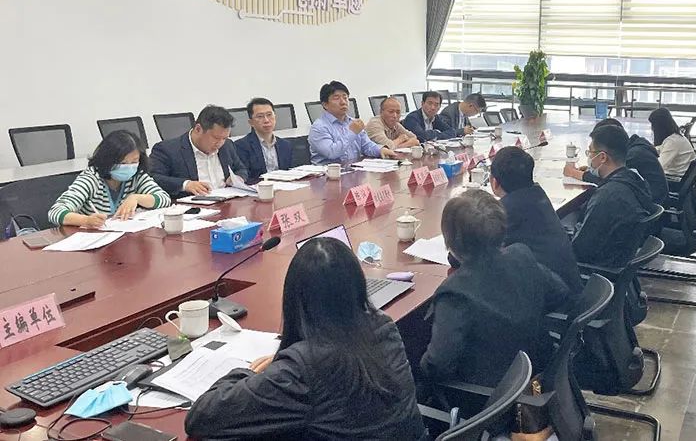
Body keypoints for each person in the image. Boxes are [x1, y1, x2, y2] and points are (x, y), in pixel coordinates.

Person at [185, 237, 426, 440]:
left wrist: (250, 372)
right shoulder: (383, 325)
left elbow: (201, 417)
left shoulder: (304, 367)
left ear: (295, 298)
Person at [420, 190, 569, 386]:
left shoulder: (455, 294)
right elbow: (560, 292)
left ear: (450, 241)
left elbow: (437, 365)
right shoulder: (520, 255)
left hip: (489, 394)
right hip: (538, 370)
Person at [489, 147, 582, 296]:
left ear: (494, 183)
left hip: (550, 299)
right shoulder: (538, 194)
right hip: (569, 289)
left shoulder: (505, 210)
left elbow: (464, 254)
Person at [570, 124, 655, 269]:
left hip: (596, 269)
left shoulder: (607, 196)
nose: (589, 157)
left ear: (602, 157)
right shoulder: (635, 179)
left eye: (590, 152)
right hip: (618, 258)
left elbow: (579, 250)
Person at [48, 131, 171, 227]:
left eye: (134, 161)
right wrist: (86, 220)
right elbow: (55, 212)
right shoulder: (92, 178)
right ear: (107, 160)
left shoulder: (137, 176)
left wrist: (137, 198)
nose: (129, 167)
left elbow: (164, 199)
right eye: (123, 163)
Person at [150, 105, 249, 198]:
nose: (220, 143)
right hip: (193, 205)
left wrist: (238, 178)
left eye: (224, 138)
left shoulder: (227, 145)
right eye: (216, 138)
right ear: (198, 129)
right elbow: (154, 178)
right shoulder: (167, 149)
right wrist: (186, 184)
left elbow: (240, 168)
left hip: (227, 202)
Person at [564, 118, 668, 204]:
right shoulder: (635, 148)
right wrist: (592, 170)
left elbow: (610, 181)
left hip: (653, 206)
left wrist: (574, 173)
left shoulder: (633, 156)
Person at [309, 81, 399, 165]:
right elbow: (331, 152)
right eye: (336, 98)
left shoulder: (353, 122)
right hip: (328, 173)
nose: (343, 102)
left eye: (345, 97)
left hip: (353, 170)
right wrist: (352, 132)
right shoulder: (319, 127)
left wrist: (380, 150)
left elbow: (367, 145)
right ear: (325, 104)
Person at [234, 98, 294, 180]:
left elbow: (291, 173)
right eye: (260, 116)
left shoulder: (285, 145)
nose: (266, 120)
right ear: (251, 122)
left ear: (275, 117)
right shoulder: (241, 146)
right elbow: (245, 177)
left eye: (269, 115)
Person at [648, 107, 696, 179]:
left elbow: (658, 167)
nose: (652, 128)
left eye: (653, 125)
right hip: (681, 174)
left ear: (659, 126)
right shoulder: (676, 137)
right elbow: (662, 150)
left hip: (674, 178)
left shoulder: (672, 142)